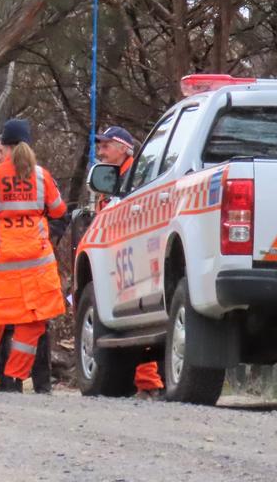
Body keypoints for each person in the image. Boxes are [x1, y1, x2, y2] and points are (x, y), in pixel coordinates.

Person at [0, 118, 67, 392]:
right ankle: (14, 377)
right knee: (31, 324)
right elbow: (59, 211)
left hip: (1, 266)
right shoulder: (42, 175)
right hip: (36, 264)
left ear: (5, 147)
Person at [92, 124, 165, 400]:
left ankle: (148, 384)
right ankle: (143, 383)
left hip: (133, 256)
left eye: (106, 145)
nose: (101, 151)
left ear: (123, 148)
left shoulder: (135, 175)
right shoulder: (113, 176)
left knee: (136, 322)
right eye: (101, 145)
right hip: (117, 258)